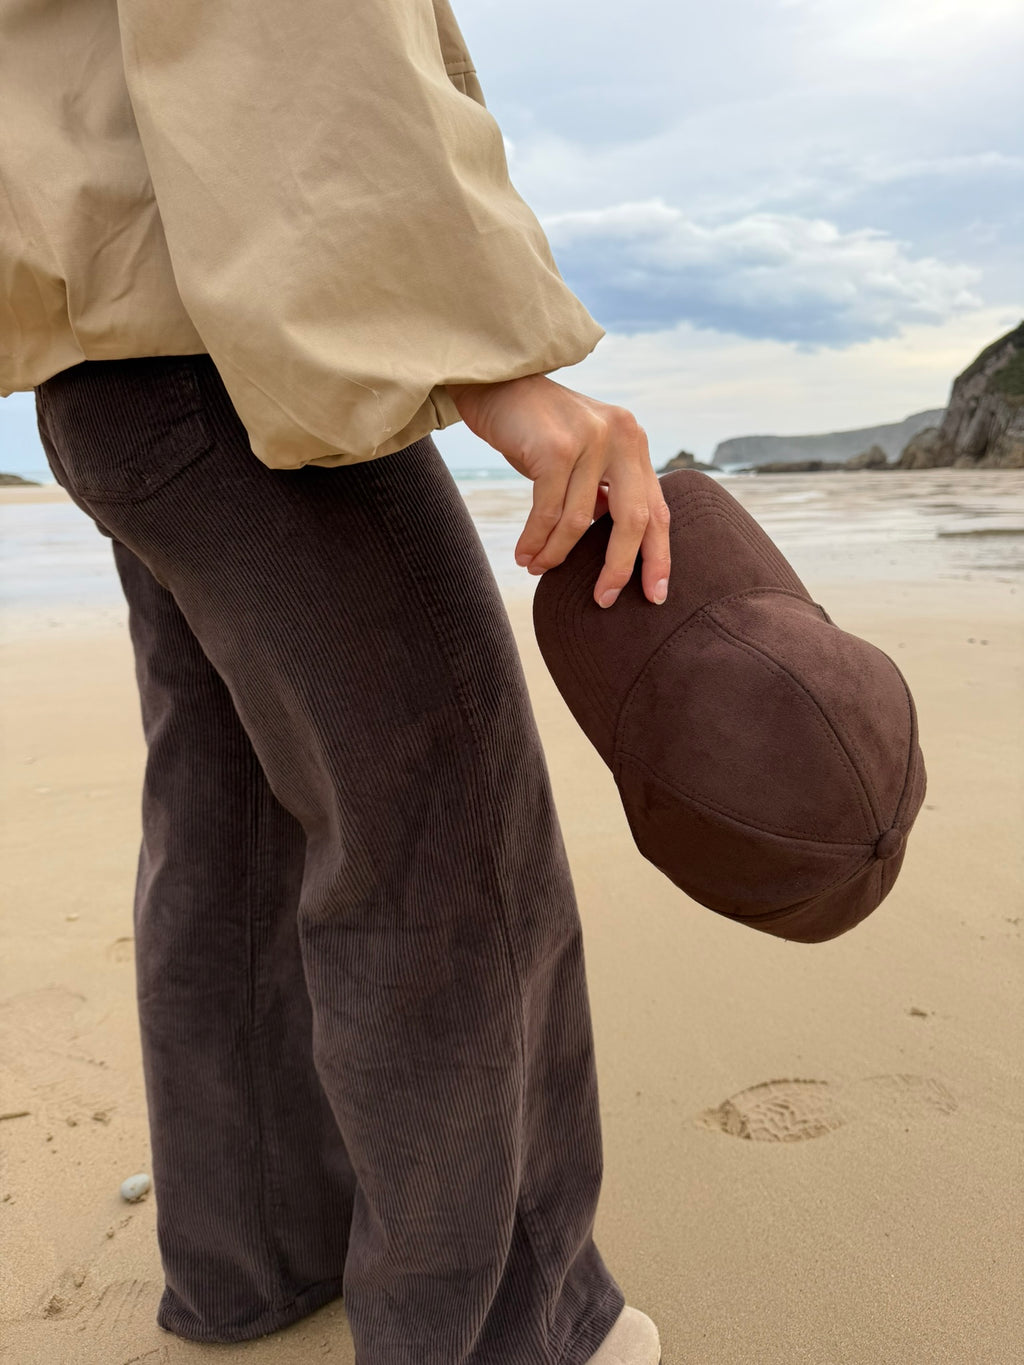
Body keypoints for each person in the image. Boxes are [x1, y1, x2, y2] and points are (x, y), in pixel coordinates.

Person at [1, 2, 670, 1361]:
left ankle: (250, 1260)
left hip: (111, 362)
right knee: (449, 850)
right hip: (240, 340)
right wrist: (486, 357)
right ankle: (511, 1336)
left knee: (232, 819)